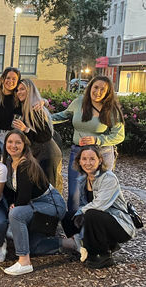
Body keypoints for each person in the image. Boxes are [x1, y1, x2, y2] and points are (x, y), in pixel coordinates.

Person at [51, 75, 125, 210]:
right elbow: (63, 115)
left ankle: (94, 226)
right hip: (78, 153)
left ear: (108, 92)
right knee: (74, 193)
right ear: (90, 87)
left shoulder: (111, 109)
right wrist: (40, 117)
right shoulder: (79, 102)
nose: (98, 92)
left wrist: (98, 139)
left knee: (98, 194)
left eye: (103, 89)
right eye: (96, 87)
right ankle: (75, 226)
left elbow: (119, 135)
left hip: (101, 154)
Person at [2, 130, 66, 276]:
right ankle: (73, 244)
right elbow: (12, 192)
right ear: (5, 144)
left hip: (51, 204)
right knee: (32, 246)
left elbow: (24, 196)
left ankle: (24, 262)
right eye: (10, 142)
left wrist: (15, 206)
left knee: (16, 214)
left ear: (24, 145)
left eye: (18, 142)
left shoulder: (26, 164)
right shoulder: (9, 162)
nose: (13, 145)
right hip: (37, 204)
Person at [62, 145, 135, 269]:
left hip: (120, 224)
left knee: (91, 213)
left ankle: (103, 254)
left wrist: (80, 213)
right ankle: (83, 248)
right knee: (67, 216)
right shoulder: (83, 179)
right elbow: (83, 205)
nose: (88, 163)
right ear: (79, 161)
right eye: (84, 159)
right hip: (98, 220)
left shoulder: (109, 178)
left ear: (100, 160)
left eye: (92, 159)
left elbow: (99, 205)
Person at [12, 78, 62, 191]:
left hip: (47, 153)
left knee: (48, 188)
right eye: (17, 90)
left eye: (22, 89)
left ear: (30, 90)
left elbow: (46, 135)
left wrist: (25, 129)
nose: (19, 92)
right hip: (38, 152)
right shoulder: (25, 107)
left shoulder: (36, 109)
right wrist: (44, 100)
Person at [0, 67, 21, 149]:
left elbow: (35, 99)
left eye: (14, 79)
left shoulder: (21, 100)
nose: (10, 81)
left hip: (17, 139)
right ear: (2, 79)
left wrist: (44, 101)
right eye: (8, 78)